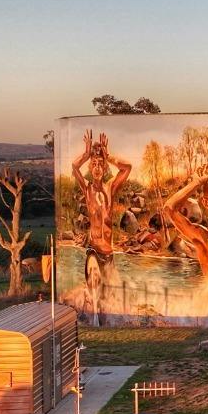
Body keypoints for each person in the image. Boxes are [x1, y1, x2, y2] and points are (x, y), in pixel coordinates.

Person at [70, 129, 132, 318]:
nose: (97, 167)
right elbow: (74, 167)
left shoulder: (110, 188)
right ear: (90, 168)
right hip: (94, 251)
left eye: (100, 164)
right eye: (93, 164)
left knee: (112, 297)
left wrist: (108, 155)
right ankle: (94, 317)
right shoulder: (87, 188)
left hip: (109, 254)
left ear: (105, 168)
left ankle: (103, 321)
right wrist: (87, 153)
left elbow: (127, 168)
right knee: (95, 281)